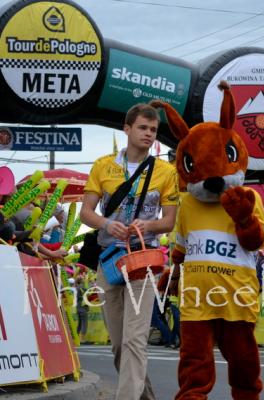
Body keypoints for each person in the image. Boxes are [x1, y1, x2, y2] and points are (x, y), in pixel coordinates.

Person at [80, 103, 179, 400]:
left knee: (135, 339)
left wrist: (147, 225)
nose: (148, 134)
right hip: (109, 261)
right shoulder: (102, 165)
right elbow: (86, 213)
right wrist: (109, 225)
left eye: (153, 130)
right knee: (120, 344)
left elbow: (169, 221)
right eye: (143, 128)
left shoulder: (166, 171)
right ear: (127, 128)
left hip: (144, 260)